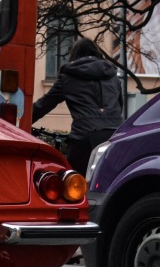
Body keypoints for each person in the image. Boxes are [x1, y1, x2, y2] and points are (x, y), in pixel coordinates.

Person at [32, 37, 124, 173]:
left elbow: (42, 106)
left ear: (74, 54)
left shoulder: (68, 77)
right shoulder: (112, 76)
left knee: (71, 182)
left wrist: (20, 121)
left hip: (84, 138)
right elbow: (119, 106)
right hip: (114, 135)